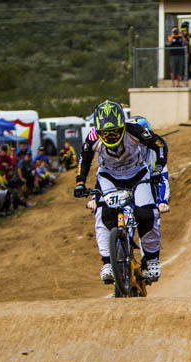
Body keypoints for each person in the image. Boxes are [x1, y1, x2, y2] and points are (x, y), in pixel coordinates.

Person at [73, 100, 168, 283]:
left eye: (114, 132)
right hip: (109, 177)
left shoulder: (135, 130)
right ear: (98, 130)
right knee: (103, 214)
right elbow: (84, 159)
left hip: (137, 174)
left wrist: (157, 168)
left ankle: (151, 259)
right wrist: (80, 183)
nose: (110, 137)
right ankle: (108, 262)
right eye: (105, 134)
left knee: (147, 215)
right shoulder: (92, 137)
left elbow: (160, 145)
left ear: (122, 126)